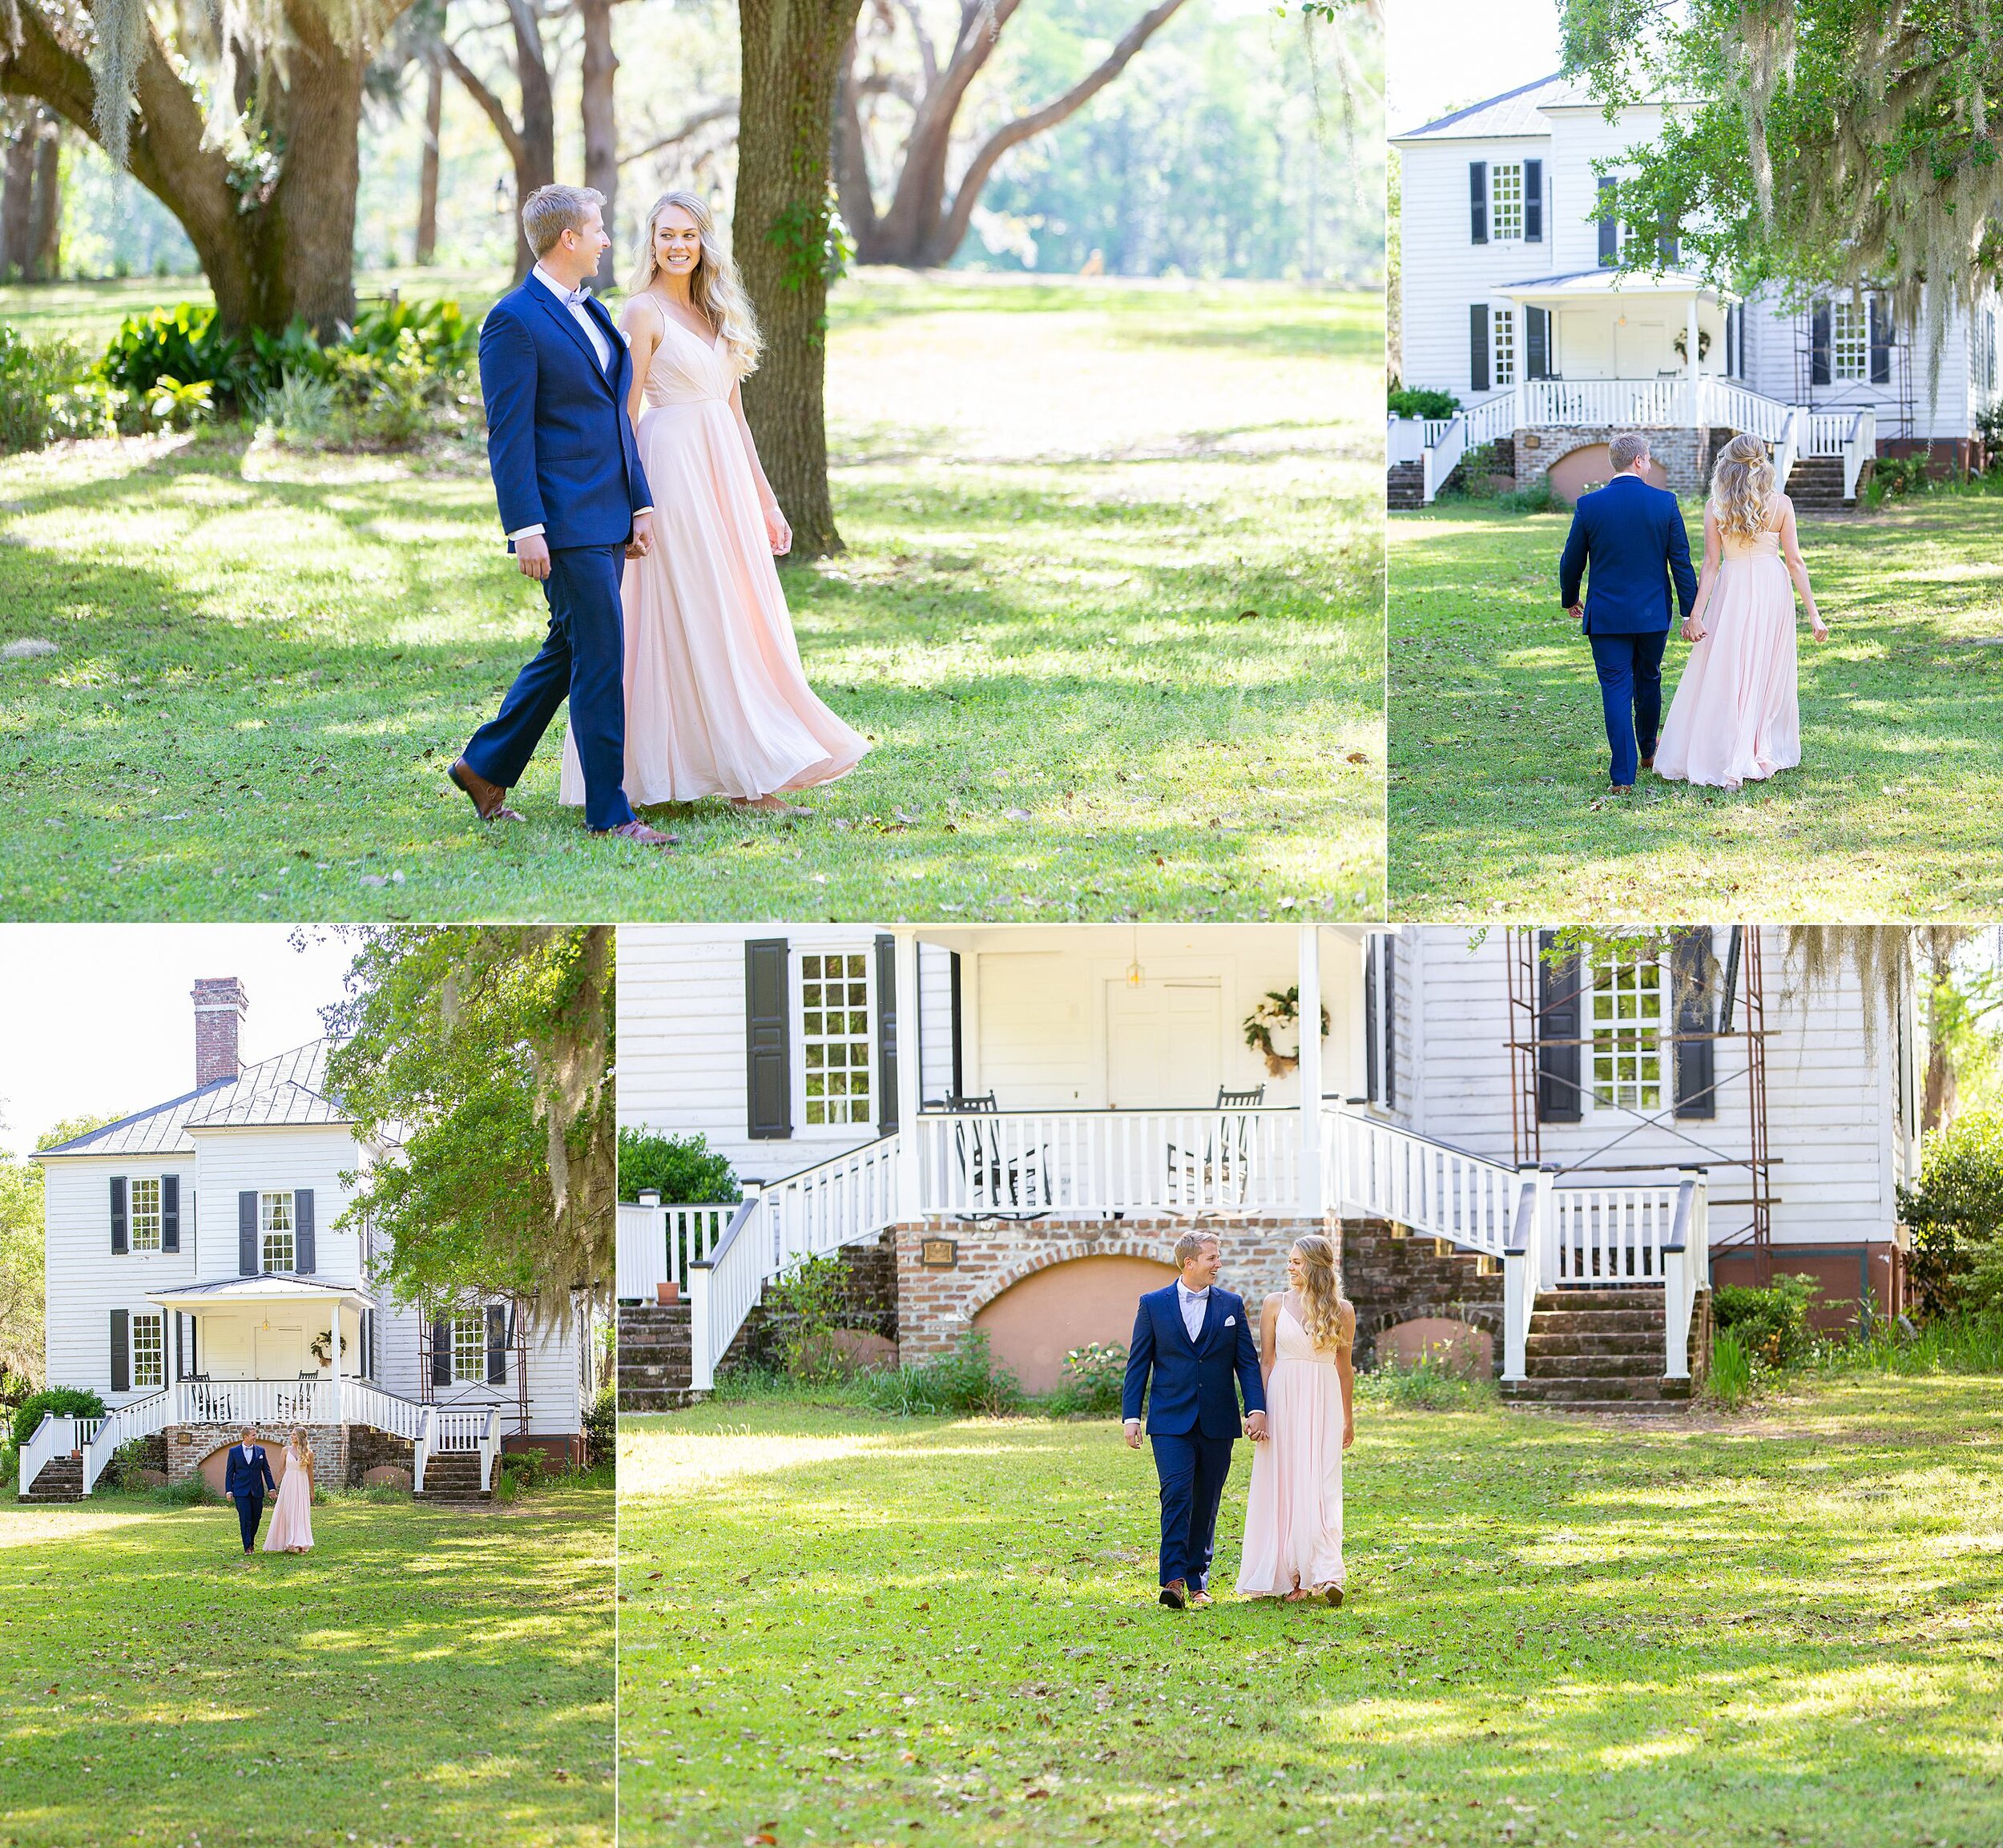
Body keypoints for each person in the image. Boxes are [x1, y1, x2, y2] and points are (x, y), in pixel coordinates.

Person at [559, 191, 868, 815]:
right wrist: (633, 501)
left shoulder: (717, 311)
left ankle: (745, 766)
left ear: (705, 243)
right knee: (699, 615)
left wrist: (768, 501)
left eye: (689, 236)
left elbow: (737, 416)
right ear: (651, 242)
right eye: (667, 235)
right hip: (672, 472)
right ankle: (738, 780)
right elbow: (625, 412)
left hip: (723, 471)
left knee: (740, 616)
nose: (678, 246)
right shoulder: (641, 312)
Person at [449, 183, 675, 848]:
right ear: (568, 239)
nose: (608, 240)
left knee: (569, 647)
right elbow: (509, 436)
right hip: (563, 521)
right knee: (602, 654)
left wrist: (638, 500)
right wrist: (526, 528)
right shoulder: (513, 321)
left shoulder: (595, 311)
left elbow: (615, 416)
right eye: (599, 229)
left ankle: (483, 766)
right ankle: (611, 813)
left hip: (609, 512)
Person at [1654, 432, 1828, 788]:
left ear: (1727, 466)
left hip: (1733, 587)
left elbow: (1711, 565)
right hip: (1770, 586)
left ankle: (1733, 745)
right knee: (1762, 665)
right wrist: (1814, 613)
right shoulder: (1781, 504)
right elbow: (1795, 562)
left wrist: (1697, 613)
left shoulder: (1715, 506)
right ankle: (1754, 745)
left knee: (1729, 665)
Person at [1121, 1232, 1267, 1609]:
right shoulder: (1153, 1305)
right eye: (1212, 1258)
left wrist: (1256, 1408)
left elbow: (1247, 1363)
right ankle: (1172, 1580)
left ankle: (1197, 1578)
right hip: (1170, 1421)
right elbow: (1138, 1364)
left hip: (1218, 1421)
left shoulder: (1231, 1304)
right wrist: (1131, 1416)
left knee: (1207, 1500)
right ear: (1190, 1263)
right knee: (1175, 1494)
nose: (1218, 1263)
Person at [1558, 433, 1699, 791]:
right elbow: (1680, 562)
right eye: (1648, 459)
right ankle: (1649, 751)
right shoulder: (1664, 503)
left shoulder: (1589, 506)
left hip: (1606, 617)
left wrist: (1571, 597)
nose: (1650, 465)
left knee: (1616, 689)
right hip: (1653, 615)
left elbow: (1571, 560)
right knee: (1648, 678)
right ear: (1638, 461)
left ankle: (1623, 777)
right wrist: (1689, 612)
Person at [1236, 1234, 1355, 1605]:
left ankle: (1327, 1573)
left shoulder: (1343, 1310)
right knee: (1284, 1482)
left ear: (1316, 1267)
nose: (1289, 1267)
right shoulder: (1275, 1304)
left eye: (1297, 1262)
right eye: (1289, 1261)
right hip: (1282, 1400)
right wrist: (1259, 1410)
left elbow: (1345, 1368)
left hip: (1324, 1401)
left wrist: (1348, 1419)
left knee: (1321, 1485)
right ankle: (1291, 1577)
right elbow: (1265, 1362)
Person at [224, 1427, 276, 1563]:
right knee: (245, 1518)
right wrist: (229, 1490)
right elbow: (230, 1473)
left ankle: (250, 1541)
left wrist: (271, 1488)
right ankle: (248, 1546)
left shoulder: (261, 1451)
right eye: (253, 1435)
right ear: (245, 1436)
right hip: (241, 1492)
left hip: (257, 1491)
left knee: (256, 1518)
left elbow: (267, 1471)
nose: (255, 1437)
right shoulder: (234, 1452)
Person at [263, 1429, 316, 1555]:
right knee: (288, 1511)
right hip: (288, 1483)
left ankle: (301, 1543)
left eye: (293, 1434)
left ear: (300, 1437)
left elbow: (310, 1474)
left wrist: (312, 1492)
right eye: (291, 1434)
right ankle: (289, 1542)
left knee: (300, 1512)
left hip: (302, 1484)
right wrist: (273, 1488)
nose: (291, 1436)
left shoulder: (309, 1453)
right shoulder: (285, 1450)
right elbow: (281, 1470)